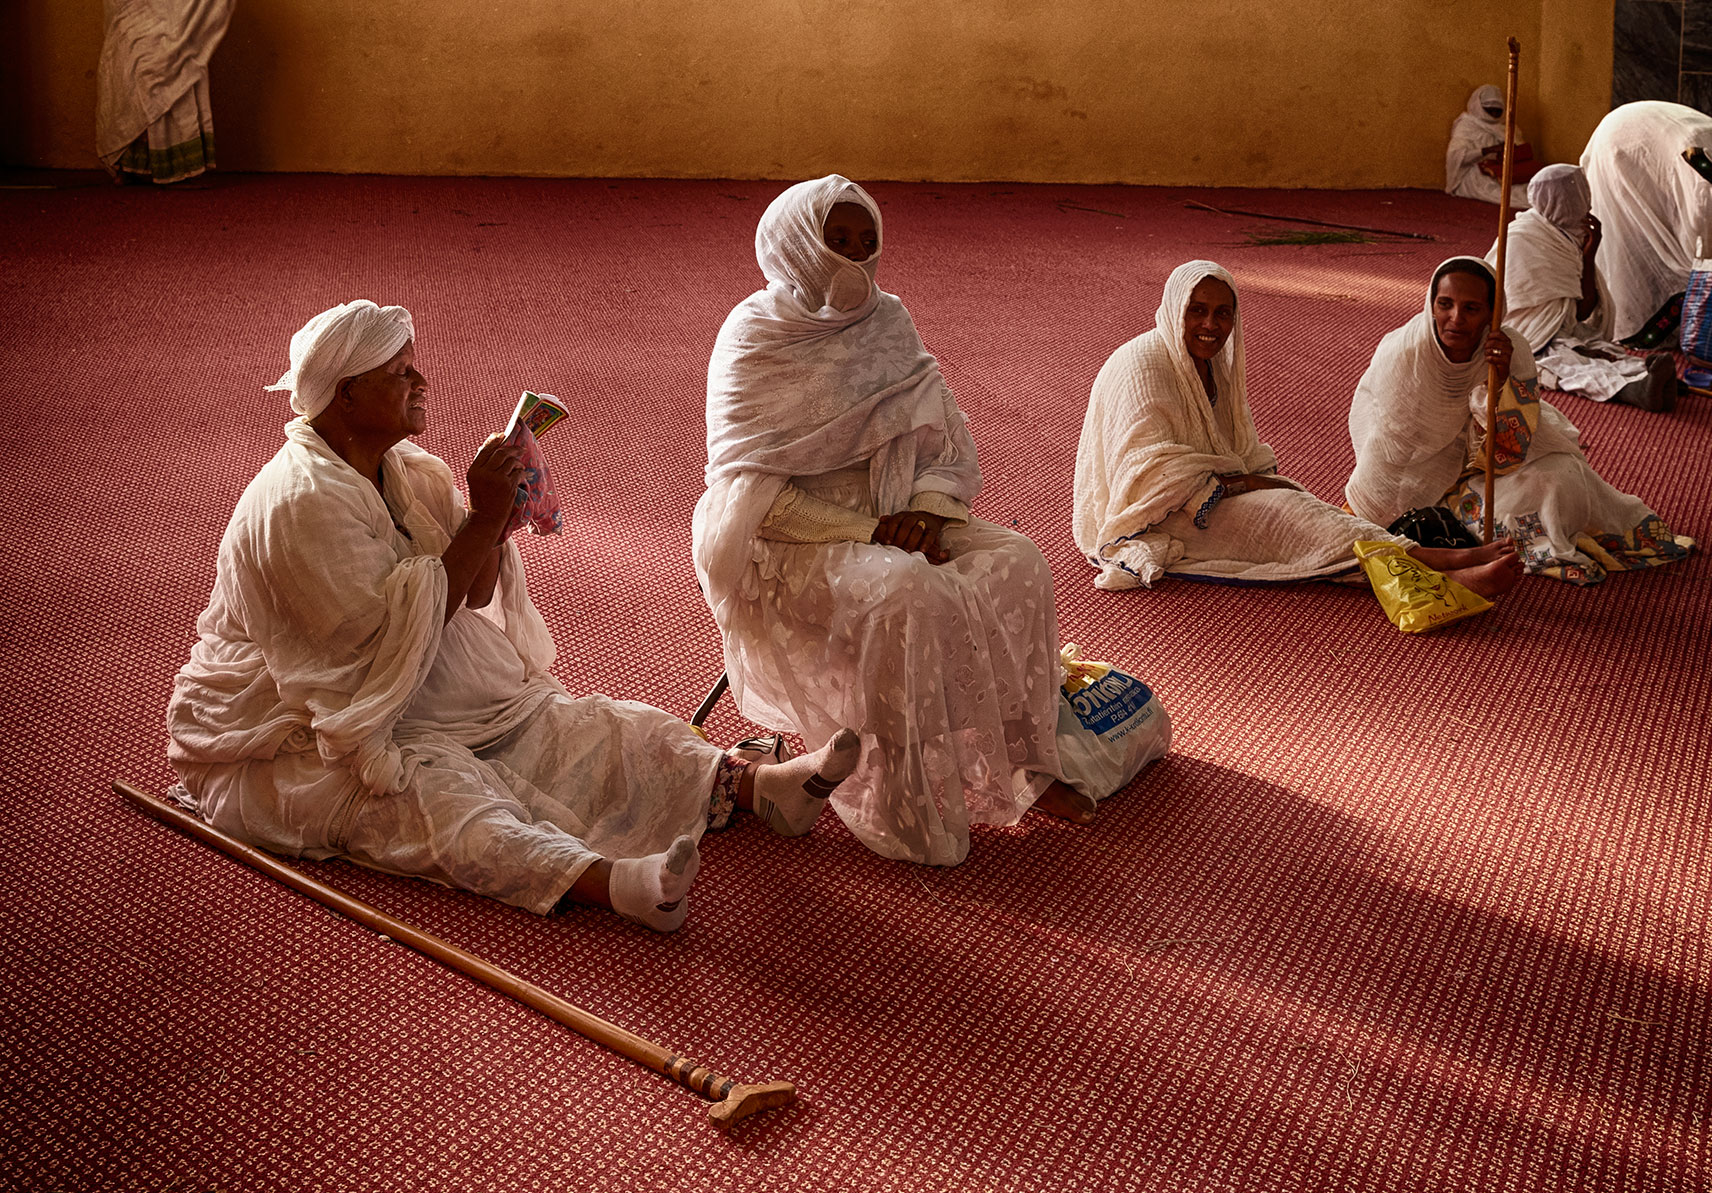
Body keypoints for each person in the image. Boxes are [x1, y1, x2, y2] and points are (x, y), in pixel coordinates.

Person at [167, 299, 858, 930]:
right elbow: (366, 654)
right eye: (399, 372)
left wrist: (490, 521)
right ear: (346, 394)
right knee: (440, 796)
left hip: (408, 681)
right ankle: (617, 884)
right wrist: (487, 515)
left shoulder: (405, 469)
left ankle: (762, 786)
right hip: (302, 727)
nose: (422, 381)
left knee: (580, 722)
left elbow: (464, 592)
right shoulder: (295, 503)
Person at [692, 175, 1096, 869]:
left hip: (900, 512)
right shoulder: (754, 337)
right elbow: (755, 499)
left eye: (866, 242)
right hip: (793, 537)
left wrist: (927, 512)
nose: (854, 258)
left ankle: (1028, 761)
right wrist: (871, 533)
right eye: (836, 240)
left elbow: (948, 440)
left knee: (1020, 559)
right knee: (904, 591)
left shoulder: (888, 320)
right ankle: (901, 798)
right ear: (796, 243)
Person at [1072, 260, 1520, 601]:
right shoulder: (1143, 363)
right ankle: (1439, 567)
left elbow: (1234, 445)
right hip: (1164, 513)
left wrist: (1246, 480)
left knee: (1301, 513)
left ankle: (1425, 559)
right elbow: (1145, 475)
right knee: (1289, 517)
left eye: (1223, 313)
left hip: (1209, 494)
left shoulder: (1211, 365)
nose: (1211, 326)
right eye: (1198, 311)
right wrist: (1243, 482)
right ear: (1174, 310)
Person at [1345, 258, 1696, 584]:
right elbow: (1390, 458)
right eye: (1445, 304)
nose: (1456, 318)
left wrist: (1503, 383)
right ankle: (1475, 546)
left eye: (1471, 308)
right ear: (1430, 303)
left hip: (1484, 466)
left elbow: (1512, 448)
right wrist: (1376, 517)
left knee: (1560, 480)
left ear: (1492, 312)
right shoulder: (1404, 355)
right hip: (1424, 480)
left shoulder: (1511, 348)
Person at [1486, 164, 1676, 410]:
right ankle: (1635, 389)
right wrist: (1557, 338)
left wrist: (1589, 254)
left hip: (1562, 330)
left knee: (1595, 347)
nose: (1582, 205)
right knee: (1558, 360)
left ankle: (1643, 375)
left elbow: (1581, 313)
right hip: (1525, 335)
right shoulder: (1520, 239)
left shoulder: (1574, 236)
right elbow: (1517, 320)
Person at [1580, 100, 1712, 345]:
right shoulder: (1711, 192)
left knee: (1656, 240)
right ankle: (1635, 324)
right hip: (1625, 144)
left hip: (1642, 136)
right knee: (1632, 243)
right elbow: (1702, 259)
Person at [1446, 85, 1535, 208]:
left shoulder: (1507, 128)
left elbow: (1521, 154)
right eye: (1489, 110)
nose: (1493, 114)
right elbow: (1456, 156)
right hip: (1477, 172)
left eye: (1497, 110)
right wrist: (1487, 151)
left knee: (1528, 190)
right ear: (1478, 106)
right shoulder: (1467, 126)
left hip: (1506, 172)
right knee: (1505, 196)